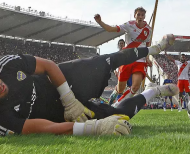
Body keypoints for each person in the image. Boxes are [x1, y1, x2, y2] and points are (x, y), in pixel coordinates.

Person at [0, 34, 175, 136]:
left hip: (60, 81)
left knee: (106, 61)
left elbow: (48, 65)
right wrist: (93, 128)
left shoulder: (6, 65)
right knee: (118, 117)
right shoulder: (2, 120)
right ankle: (153, 92)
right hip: (56, 114)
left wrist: (68, 98)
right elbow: (44, 128)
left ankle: (154, 49)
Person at [94, 7, 152, 107]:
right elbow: (111, 29)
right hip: (127, 59)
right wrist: (100, 22)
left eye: (142, 15)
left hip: (140, 60)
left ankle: (117, 105)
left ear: (144, 16)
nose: (140, 17)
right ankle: (113, 98)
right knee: (120, 88)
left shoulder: (148, 29)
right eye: (138, 14)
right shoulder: (129, 25)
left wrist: (147, 58)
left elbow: (147, 46)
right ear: (135, 15)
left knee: (135, 87)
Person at [109, 39, 132, 105]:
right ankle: (115, 103)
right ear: (118, 45)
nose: (121, 44)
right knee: (120, 90)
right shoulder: (116, 55)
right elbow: (113, 65)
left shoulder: (128, 52)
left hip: (129, 73)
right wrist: (115, 71)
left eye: (122, 43)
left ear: (124, 44)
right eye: (120, 43)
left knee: (132, 88)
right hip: (121, 73)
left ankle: (127, 103)